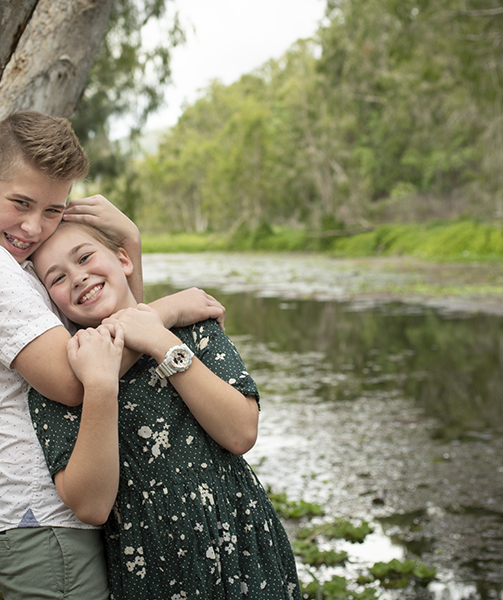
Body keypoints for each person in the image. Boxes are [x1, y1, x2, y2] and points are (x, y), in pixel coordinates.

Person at [0, 111, 225, 600]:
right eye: (21, 203)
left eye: (54, 210)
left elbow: (121, 336)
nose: (33, 227)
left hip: (61, 513)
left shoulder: (16, 260)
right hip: (39, 516)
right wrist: (167, 310)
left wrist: (129, 245)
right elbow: (76, 379)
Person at [27, 221, 303, 600]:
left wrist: (159, 339)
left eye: (86, 257)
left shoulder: (191, 329)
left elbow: (241, 433)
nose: (77, 277)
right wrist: (100, 386)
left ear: (123, 259)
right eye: (57, 278)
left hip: (239, 539)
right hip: (151, 566)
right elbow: (91, 506)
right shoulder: (62, 379)